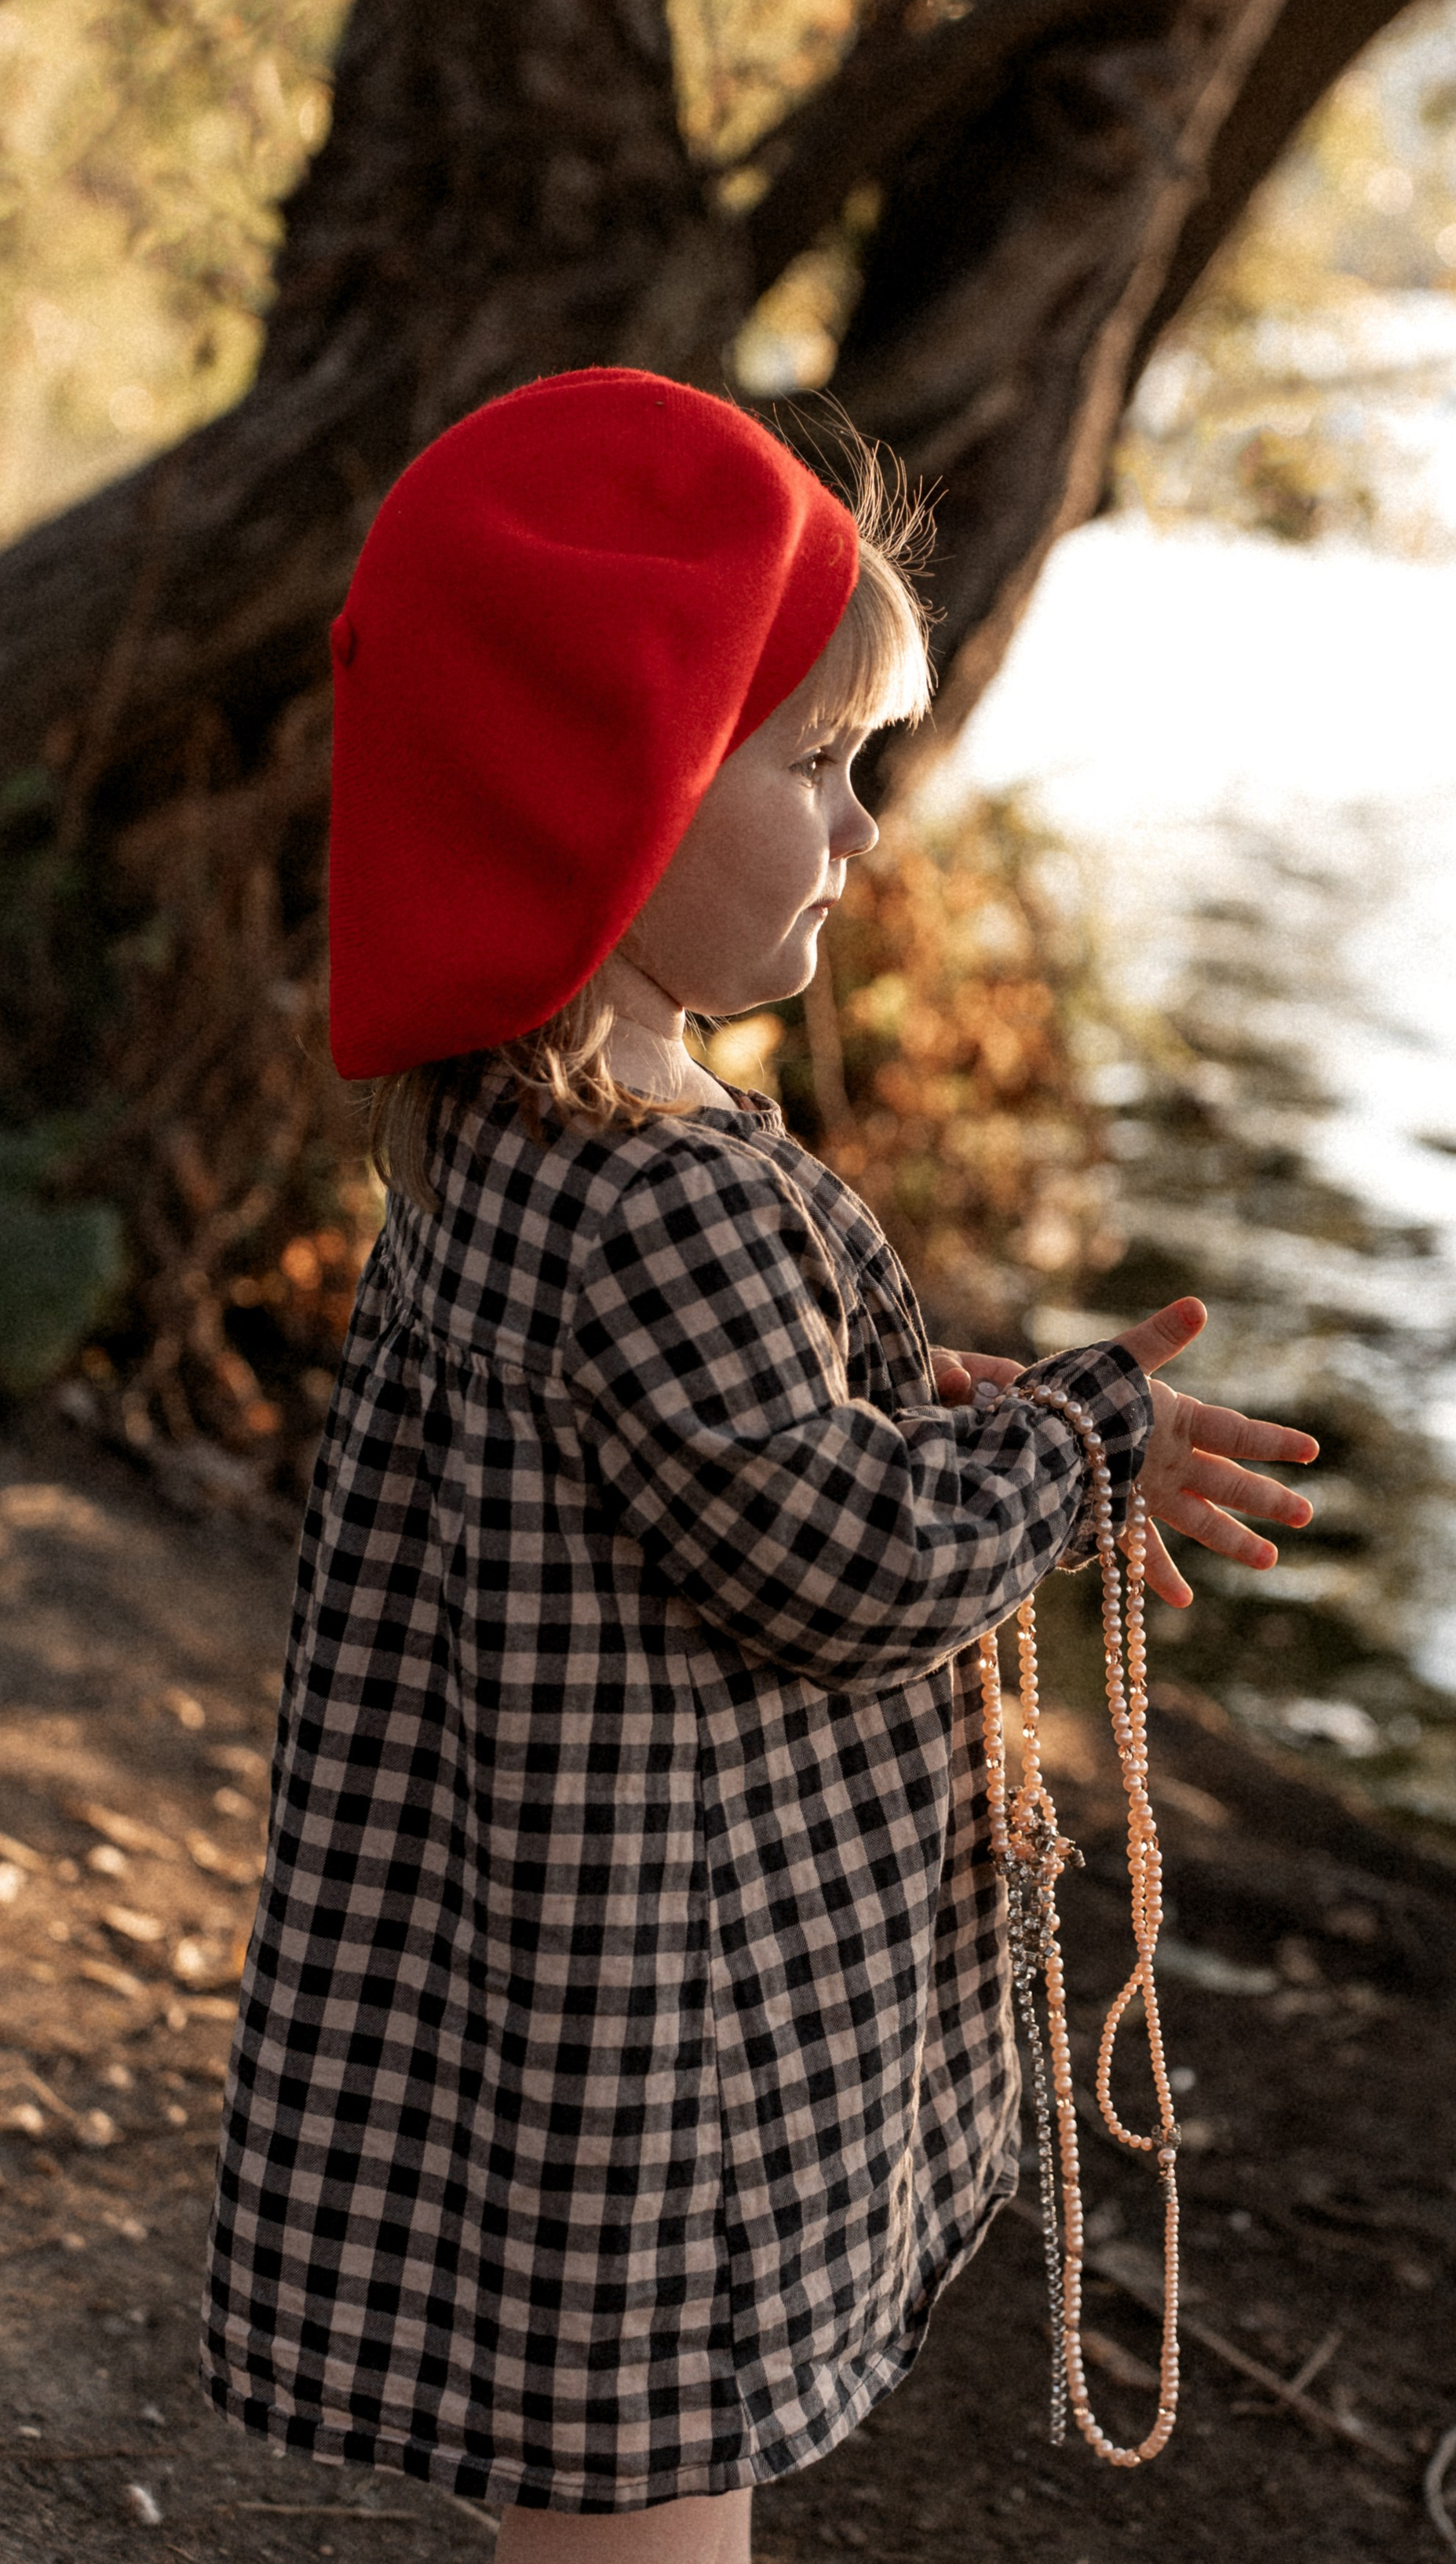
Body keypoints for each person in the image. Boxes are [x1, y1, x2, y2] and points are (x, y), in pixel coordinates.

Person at [202, 371, 1319, 2559]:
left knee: (604, 2490)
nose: (864, 834)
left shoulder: (504, 1133)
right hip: (669, 2012)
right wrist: (1081, 1434)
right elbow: (842, 1561)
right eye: (812, 768)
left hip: (530, 1946)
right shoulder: (670, 1186)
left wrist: (942, 1402)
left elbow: (706, 1452)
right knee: (654, 2493)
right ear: (604, 782)